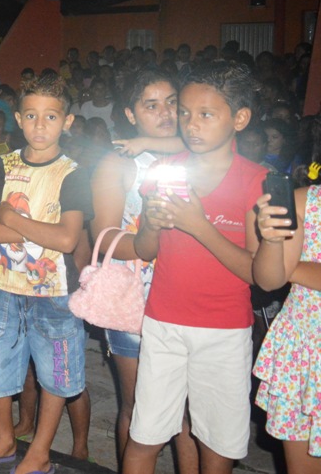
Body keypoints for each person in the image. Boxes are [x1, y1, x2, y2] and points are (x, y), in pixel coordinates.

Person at [124, 63, 268, 474]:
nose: (191, 124)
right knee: (144, 435)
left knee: (216, 446)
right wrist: (151, 223)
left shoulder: (255, 182)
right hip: (163, 322)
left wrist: (199, 226)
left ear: (239, 118)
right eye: (184, 113)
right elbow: (144, 249)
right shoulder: (164, 171)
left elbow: (258, 273)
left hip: (223, 330)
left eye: (206, 114)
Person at [0, 73, 90, 474]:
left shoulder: (73, 173)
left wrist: (11, 217)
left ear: (66, 122)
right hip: (3, 287)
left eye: (51, 117)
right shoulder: (4, 165)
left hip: (56, 293)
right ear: (18, 118)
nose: (39, 125)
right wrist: (35, 228)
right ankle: (3, 438)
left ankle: (41, 450)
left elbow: (67, 239)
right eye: (31, 116)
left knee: (56, 375)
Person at [89, 69, 197, 472]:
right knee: (137, 406)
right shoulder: (119, 163)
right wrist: (148, 238)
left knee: (187, 413)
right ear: (130, 114)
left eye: (172, 102)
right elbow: (106, 234)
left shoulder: (197, 152)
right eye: (151, 105)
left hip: (190, 296)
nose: (166, 112)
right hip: (135, 299)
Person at [252, 165, 321, 470]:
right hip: (305, 355)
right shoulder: (307, 202)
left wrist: (297, 268)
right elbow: (269, 280)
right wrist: (272, 241)